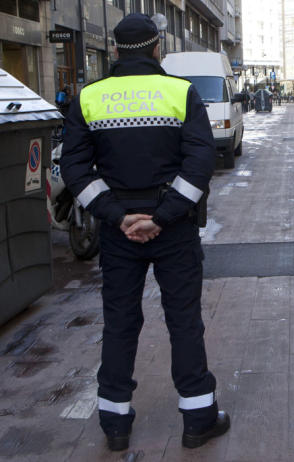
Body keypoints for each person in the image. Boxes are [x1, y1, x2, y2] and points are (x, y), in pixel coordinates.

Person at [60, 14, 229, 452]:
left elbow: (76, 169)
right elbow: (199, 164)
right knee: (184, 321)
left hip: (119, 233)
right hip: (172, 230)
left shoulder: (90, 97)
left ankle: (115, 426)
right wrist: (163, 215)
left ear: (115, 52)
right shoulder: (180, 92)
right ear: (157, 49)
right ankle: (198, 420)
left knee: (119, 322)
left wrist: (116, 216)